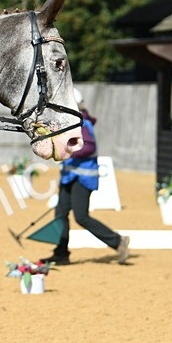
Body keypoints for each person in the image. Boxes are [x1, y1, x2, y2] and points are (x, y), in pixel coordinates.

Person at [43, 90, 130, 265]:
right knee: (60, 214)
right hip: (70, 176)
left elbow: (88, 147)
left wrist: (66, 150)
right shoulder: (71, 121)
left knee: (81, 217)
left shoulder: (82, 122)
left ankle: (118, 241)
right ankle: (61, 253)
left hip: (83, 178)